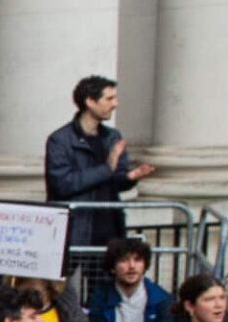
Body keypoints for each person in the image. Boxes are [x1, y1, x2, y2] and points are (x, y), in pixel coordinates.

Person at [45, 74, 154, 255]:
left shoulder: (112, 136)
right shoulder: (60, 140)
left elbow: (116, 179)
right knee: (74, 283)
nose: (115, 104)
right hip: (77, 233)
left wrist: (129, 177)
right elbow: (62, 184)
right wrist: (106, 169)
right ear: (90, 101)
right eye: (109, 98)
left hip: (111, 230)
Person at [87, 236, 170, 322]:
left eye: (137, 260)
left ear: (144, 265)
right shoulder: (99, 298)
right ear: (113, 267)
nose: (132, 266)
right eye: (124, 260)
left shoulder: (160, 300)